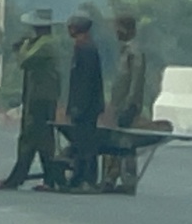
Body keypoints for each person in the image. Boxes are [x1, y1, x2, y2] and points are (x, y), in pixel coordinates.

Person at [0, 8, 64, 192]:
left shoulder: (45, 45)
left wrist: (23, 46)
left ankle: (21, 179)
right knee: (39, 139)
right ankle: (46, 178)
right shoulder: (43, 42)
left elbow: (24, 61)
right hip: (39, 96)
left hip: (40, 98)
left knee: (33, 138)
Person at [56, 11, 105, 194]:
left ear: (76, 29)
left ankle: (87, 180)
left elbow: (84, 82)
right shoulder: (86, 47)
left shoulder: (85, 49)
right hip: (87, 105)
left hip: (86, 107)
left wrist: (77, 108)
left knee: (86, 145)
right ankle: (78, 178)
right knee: (80, 145)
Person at [101, 11, 147, 195]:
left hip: (126, 105)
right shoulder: (126, 51)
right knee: (116, 143)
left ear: (127, 30)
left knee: (126, 144)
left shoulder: (134, 52)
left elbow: (136, 80)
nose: (116, 32)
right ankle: (111, 178)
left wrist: (131, 104)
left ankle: (127, 181)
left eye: (118, 28)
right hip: (118, 104)